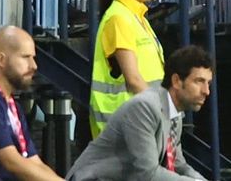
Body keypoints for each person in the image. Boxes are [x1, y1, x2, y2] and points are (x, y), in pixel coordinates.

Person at [65, 45, 212, 180]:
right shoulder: (144, 107)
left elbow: (179, 166)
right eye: (199, 81)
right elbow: (148, 173)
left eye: (208, 83)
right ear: (176, 81)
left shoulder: (174, 115)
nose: (206, 91)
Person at [0, 26, 64, 181]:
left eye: (33, 57)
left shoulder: (12, 104)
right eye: (26, 57)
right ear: (1, 60)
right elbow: (11, 162)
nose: (34, 66)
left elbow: (32, 160)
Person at [89, 0, 165, 137]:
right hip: (126, 127)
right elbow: (133, 80)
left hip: (139, 122)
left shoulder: (136, 16)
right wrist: (163, 113)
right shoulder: (119, 18)